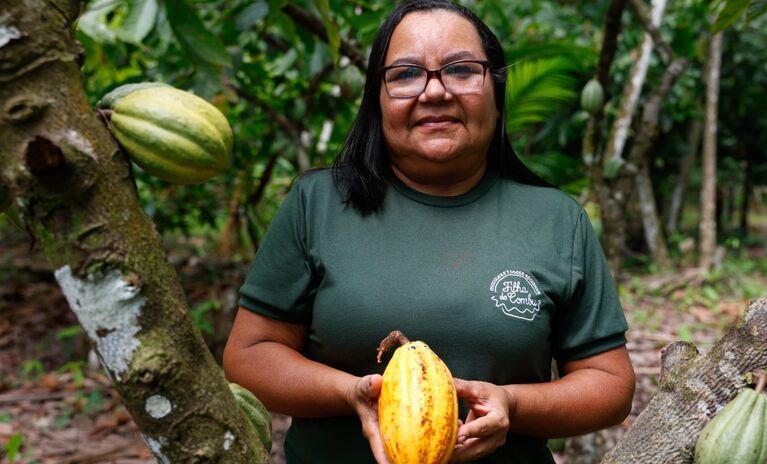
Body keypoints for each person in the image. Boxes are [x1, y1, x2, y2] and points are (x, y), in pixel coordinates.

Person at [223, 0, 635, 462]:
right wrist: (352, 394)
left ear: (496, 91)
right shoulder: (315, 204)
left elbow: (610, 384)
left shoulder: (557, 219)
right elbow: (249, 355)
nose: (435, 92)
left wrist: (511, 404)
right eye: (405, 74)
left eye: (460, 70)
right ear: (376, 101)